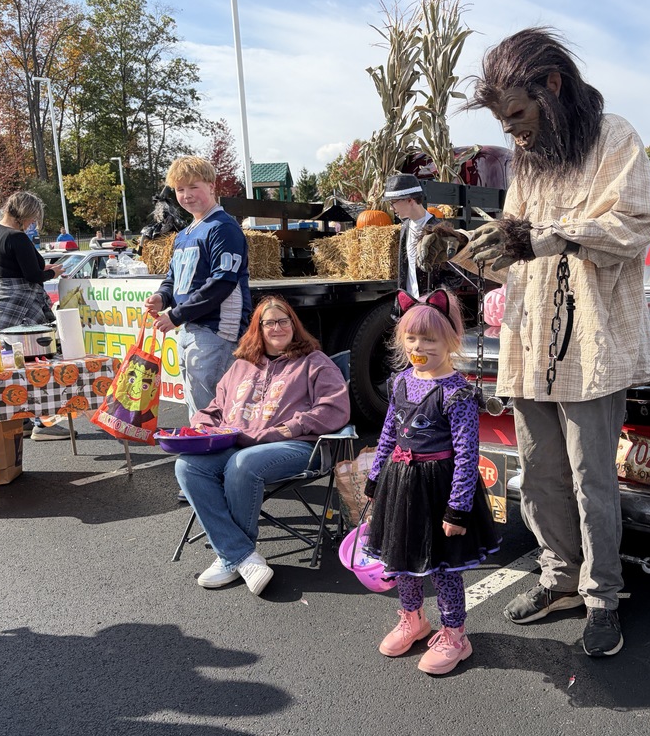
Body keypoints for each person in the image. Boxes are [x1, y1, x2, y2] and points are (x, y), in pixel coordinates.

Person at [420, 28, 650, 658]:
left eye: (519, 115)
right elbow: (513, 248)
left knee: (590, 480)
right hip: (530, 338)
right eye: (504, 121)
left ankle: (603, 595)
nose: (513, 132)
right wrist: (464, 253)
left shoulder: (616, 138)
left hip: (591, 340)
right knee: (540, 476)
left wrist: (548, 237)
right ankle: (558, 579)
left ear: (552, 86)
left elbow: (632, 229)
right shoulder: (531, 159)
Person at [174, 296, 351, 596]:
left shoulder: (314, 362)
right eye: (269, 323)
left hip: (295, 447)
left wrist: (292, 426)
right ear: (258, 328)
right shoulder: (241, 366)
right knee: (188, 466)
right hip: (235, 443)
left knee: (242, 465)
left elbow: (335, 408)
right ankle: (241, 556)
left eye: (284, 321)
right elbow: (216, 407)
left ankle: (231, 557)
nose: (278, 327)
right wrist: (202, 424)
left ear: (294, 325)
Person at [363, 288, 500, 675]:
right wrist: (375, 480)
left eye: (430, 339)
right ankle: (413, 619)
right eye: (412, 338)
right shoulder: (402, 383)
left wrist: (458, 507)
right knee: (400, 560)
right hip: (400, 484)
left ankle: (455, 635)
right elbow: (389, 434)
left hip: (439, 489)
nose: (419, 346)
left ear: (451, 340)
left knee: (444, 566)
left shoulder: (457, 394)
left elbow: (467, 454)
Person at [144, 156, 252, 420]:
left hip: (218, 329)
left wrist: (177, 315)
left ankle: (215, 456)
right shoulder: (184, 235)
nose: (187, 195)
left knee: (214, 406)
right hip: (191, 328)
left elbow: (222, 283)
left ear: (212, 187)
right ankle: (203, 451)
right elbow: (174, 277)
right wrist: (162, 297)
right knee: (198, 403)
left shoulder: (223, 228)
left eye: (193, 187)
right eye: (180, 190)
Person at [0, 191, 69, 441]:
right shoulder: (18, 238)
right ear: (25, 214)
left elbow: (8, 268)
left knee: (6, 368)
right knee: (35, 365)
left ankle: (21, 419)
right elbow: (32, 276)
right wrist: (53, 272)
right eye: (32, 218)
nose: (32, 224)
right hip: (21, 307)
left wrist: (42, 269)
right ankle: (43, 424)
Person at [385, 173, 442, 298]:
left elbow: (454, 276)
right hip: (409, 303)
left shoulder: (438, 229)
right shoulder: (405, 227)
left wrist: (434, 299)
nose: (391, 208)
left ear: (410, 200)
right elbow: (404, 269)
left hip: (430, 308)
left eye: (393, 202)